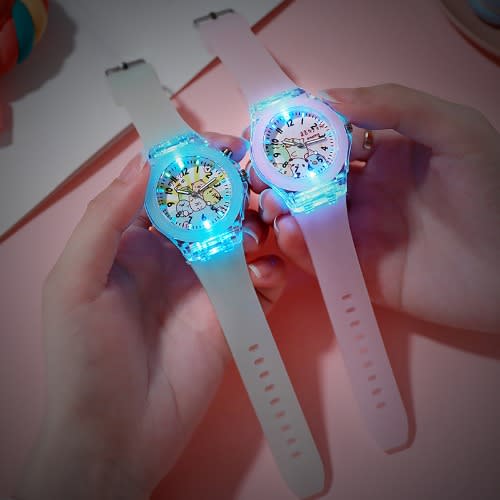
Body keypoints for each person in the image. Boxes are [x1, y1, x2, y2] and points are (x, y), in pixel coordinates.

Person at [12, 85, 500, 499]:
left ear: (234, 172)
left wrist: (95, 464)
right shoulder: (179, 199)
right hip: (211, 241)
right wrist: (101, 458)